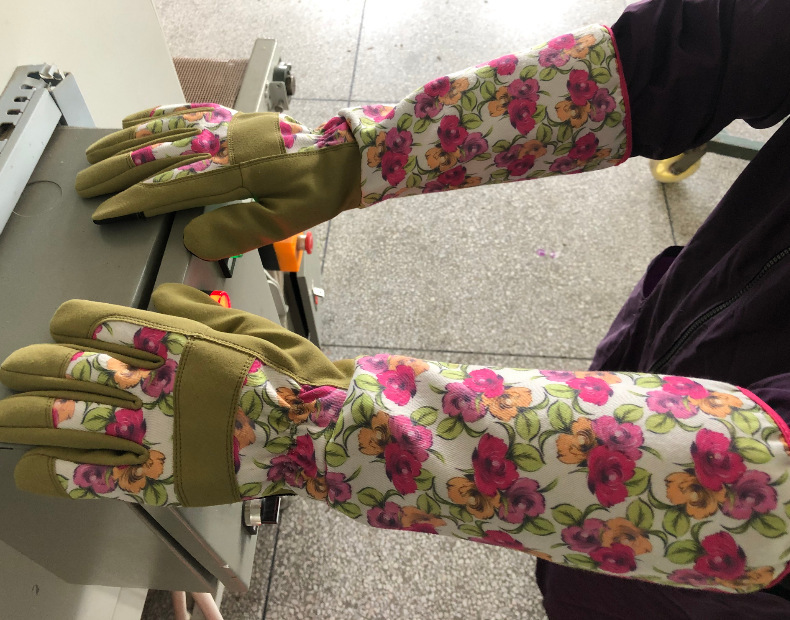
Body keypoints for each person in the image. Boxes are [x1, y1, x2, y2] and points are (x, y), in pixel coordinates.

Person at [2, 0, 790, 617]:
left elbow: (765, 490)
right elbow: (688, 53)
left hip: (733, 565)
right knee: (581, 572)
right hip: (700, 332)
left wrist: (317, 428)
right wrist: (361, 151)